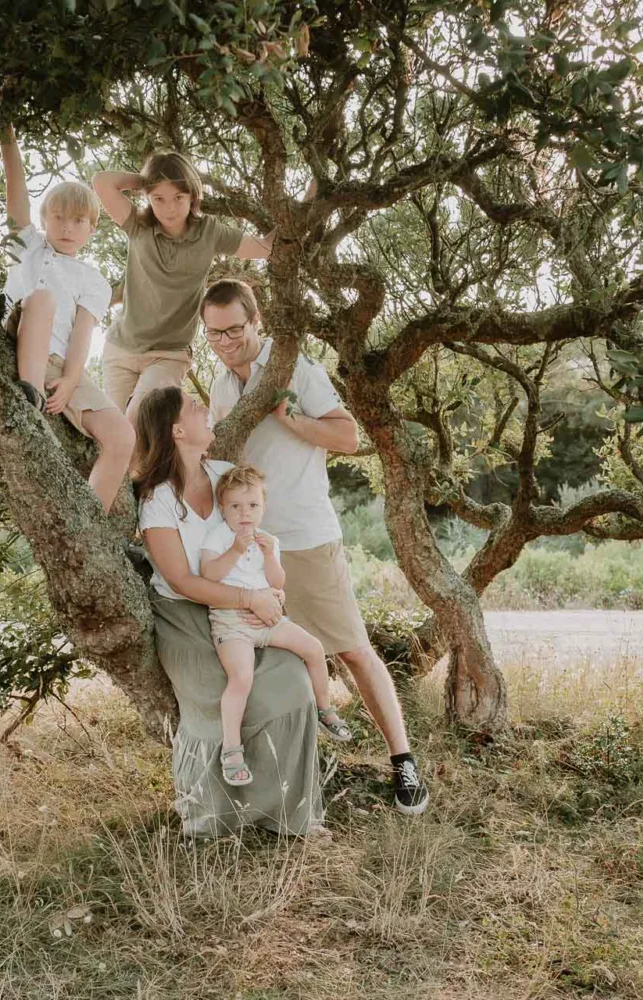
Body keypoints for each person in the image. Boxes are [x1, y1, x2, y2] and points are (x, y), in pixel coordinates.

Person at [204, 279, 430, 815]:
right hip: (246, 554)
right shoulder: (218, 385)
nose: (227, 341)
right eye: (214, 334)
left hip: (304, 539)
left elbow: (349, 436)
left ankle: (403, 761)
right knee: (259, 665)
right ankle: (283, 782)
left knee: (351, 649)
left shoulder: (296, 371)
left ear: (258, 321)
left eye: (236, 329)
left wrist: (293, 420)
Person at [134, 386, 324, 836]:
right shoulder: (157, 499)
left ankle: (288, 812)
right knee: (214, 690)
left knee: (293, 681)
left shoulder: (224, 476)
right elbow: (181, 580)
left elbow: (255, 538)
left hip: (245, 606)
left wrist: (266, 592)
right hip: (184, 613)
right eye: (194, 408)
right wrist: (247, 600)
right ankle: (213, 817)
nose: (205, 410)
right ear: (177, 430)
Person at [0, 125, 135, 513]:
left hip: (62, 364)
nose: (67, 227)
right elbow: (16, 194)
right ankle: (29, 397)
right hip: (23, 334)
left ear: (92, 229)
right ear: (44, 220)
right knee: (42, 299)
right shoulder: (28, 246)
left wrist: (73, 379)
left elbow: (83, 334)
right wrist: (7, 134)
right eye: (58, 217)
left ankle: (91, 519)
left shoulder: (92, 280)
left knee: (122, 437)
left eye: (78, 221)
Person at [199, 465, 353, 786]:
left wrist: (269, 556)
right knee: (240, 677)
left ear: (263, 508)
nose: (245, 514)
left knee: (314, 648)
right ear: (223, 509)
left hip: (269, 618)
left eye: (253, 506)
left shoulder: (269, 540)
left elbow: (278, 581)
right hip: (232, 622)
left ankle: (324, 708)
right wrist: (236, 550)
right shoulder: (218, 536)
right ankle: (231, 748)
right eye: (235, 506)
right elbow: (209, 575)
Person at [92, 152, 272, 421]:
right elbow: (101, 182)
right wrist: (147, 180)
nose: (169, 208)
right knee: (109, 431)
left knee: (138, 420)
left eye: (178, 197)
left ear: (192, 196)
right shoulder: (138, 225)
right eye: (159, 199)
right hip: (122, 348)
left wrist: (303, 209)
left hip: (169, 354)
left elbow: (263, 248)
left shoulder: (209, 232)